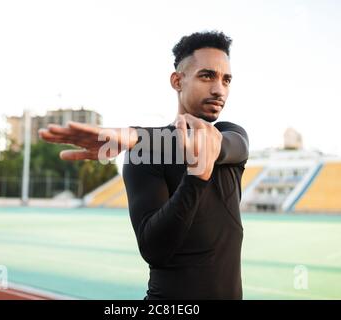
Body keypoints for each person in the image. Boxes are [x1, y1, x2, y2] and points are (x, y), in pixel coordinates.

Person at [39, 31, 249, 300]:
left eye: (226, 79)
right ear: (177, 80)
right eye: (207, 75)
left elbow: (214, 142)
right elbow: (154, 249)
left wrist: (136, 135)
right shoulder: (144, 155)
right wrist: (195, 180)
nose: (219, 89)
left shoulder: (231, 136)